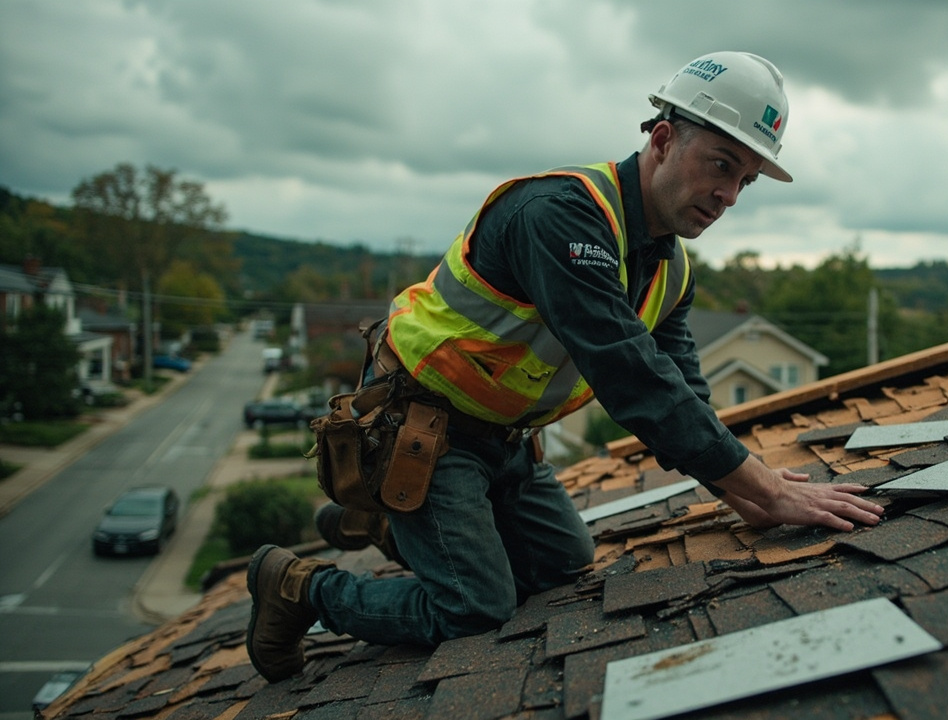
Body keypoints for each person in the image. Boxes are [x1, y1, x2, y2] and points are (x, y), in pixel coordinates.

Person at [245, 51, 885, 683]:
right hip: (419, 427)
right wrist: (767, 489)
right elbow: (631, 378)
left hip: (503, 441)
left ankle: (393, 520)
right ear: (663, 140)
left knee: (564, 562)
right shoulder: (561, 217)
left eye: (744, 179)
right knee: (475, 607)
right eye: (721, 164)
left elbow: (682, 391)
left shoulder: (671, 269)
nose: (729, 196)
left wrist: (744, 496)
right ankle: (301, 587)